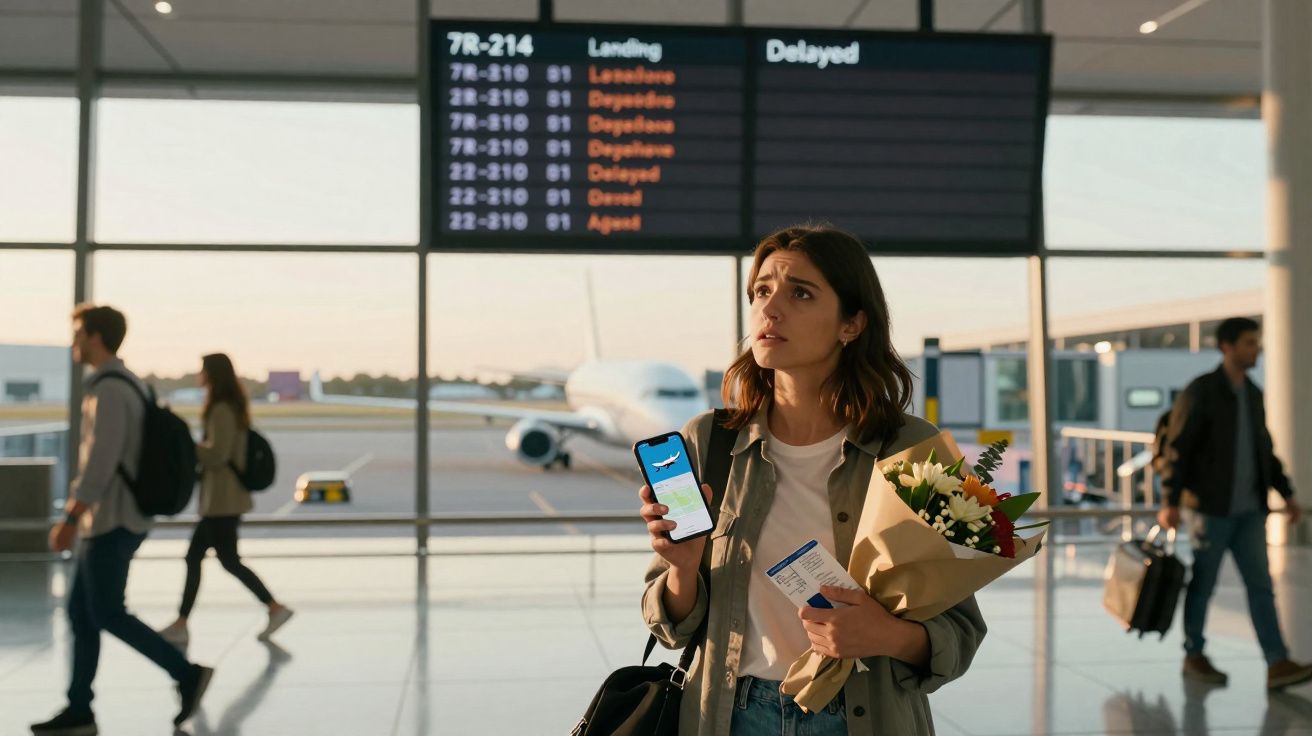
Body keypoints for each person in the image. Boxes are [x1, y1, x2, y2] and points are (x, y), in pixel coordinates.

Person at [639, 225, 985, 735]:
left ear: (852, 324)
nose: (770, 309)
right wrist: (682, 569)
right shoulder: (709, 441)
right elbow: (671, 627)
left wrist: (885, 634)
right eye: (761, 291)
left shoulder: (912, 448)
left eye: (800, 293)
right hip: (727, 715)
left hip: (862, 718)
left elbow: (961, 632)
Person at [32, 304, 214, 736]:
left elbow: (100, 462)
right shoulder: (130, 384)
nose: (74, 342)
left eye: (79, 334)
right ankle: (79, 707)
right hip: (111, 519)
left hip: (112, 519)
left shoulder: (110, 390)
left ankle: (186, 674)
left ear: (95, 337)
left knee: (108, 613)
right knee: (82, 615)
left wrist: (70, 516)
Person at [1157, 316, 1312, 690]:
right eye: (1249, 342)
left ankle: (1277, 662)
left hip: (1250, 511)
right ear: (1227, 346)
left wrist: (1286, 493)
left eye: (1256, 342)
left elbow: (1264, 451)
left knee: (1261, 587)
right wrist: (1170, 501)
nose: (1256, 349)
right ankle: (1194, 654)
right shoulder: (1202, 391)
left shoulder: (1253, 394)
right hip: (1210, 510)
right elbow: (1178, 449)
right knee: (1203, 585)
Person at [159, 353, 292, 648]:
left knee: (205, 558)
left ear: (212, 374)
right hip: (224, 500)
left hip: (222, 500)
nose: (199, 374)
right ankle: (272, 607)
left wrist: (190, 446)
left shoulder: (221, 409)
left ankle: (183, 623)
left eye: (202, 370)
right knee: (223, 559)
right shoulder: (231, 406)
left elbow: (218, 455)